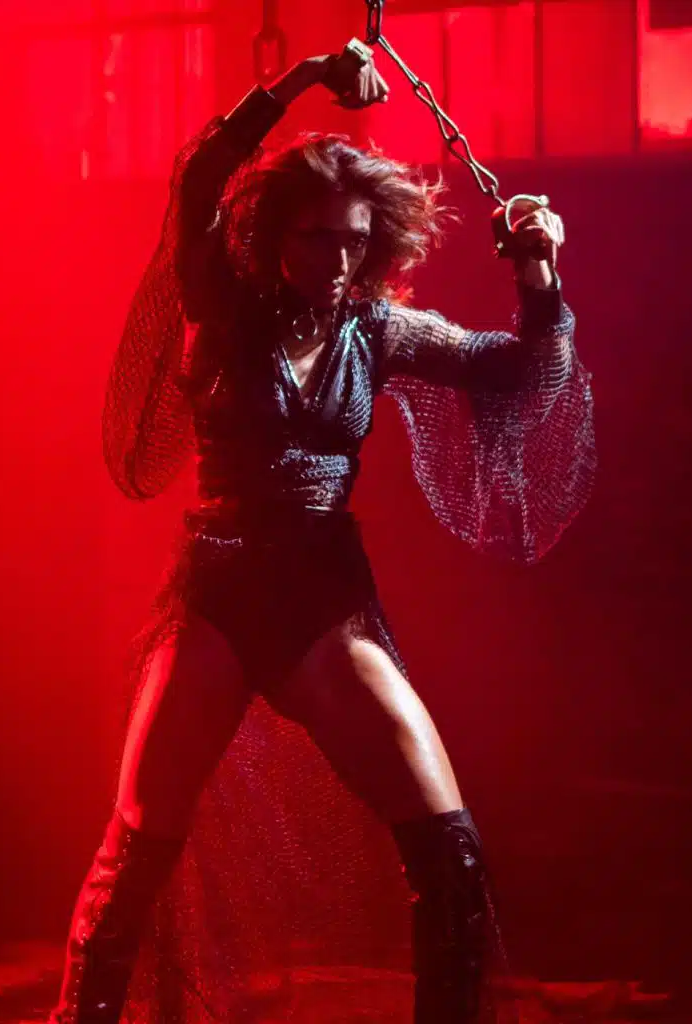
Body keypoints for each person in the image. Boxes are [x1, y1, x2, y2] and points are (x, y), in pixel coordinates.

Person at [50, 37, 595, 1024]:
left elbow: (519, 373)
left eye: (352, 242)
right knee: (136, 849)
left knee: (449, 847)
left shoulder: (376, 329)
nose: (334, 261)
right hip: (217, 593)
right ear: (274, 235)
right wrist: (301, 77)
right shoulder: (220, 304)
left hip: (322, 597)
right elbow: (199, 174)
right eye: (314, 238)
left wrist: (539, 272)